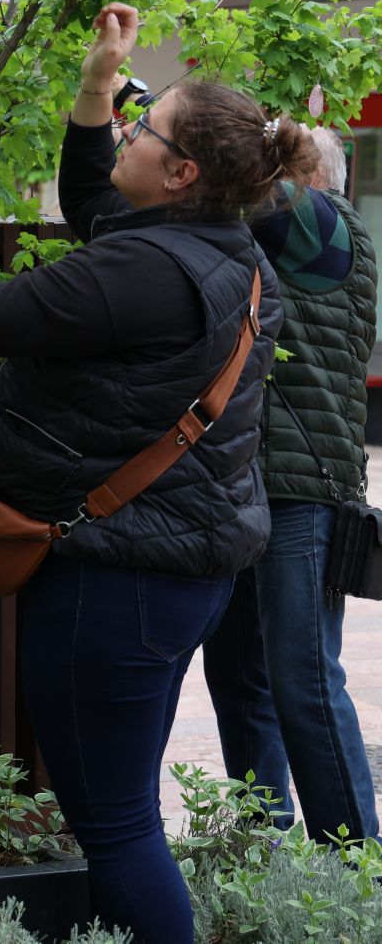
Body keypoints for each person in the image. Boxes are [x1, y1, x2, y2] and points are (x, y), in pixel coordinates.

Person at [0, 2, 311, 942]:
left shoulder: (145, 271)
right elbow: (96, 201)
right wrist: (99, 82)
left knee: (117, 825)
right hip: (172, 568)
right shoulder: (221, 254)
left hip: (117, 580)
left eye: (147, 124)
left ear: (182, 174)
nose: (130, 129)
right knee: (121, 810)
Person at [202, 125, 379, 843]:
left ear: (316, 176)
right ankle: (262, 848)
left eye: (284, 162)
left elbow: (258, 190)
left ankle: (357, 862)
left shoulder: (325, 225)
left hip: (303, 490)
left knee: (302, 676)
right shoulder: (282, 239)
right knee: (238, 674)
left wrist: (248, 131)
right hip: (250, 484)